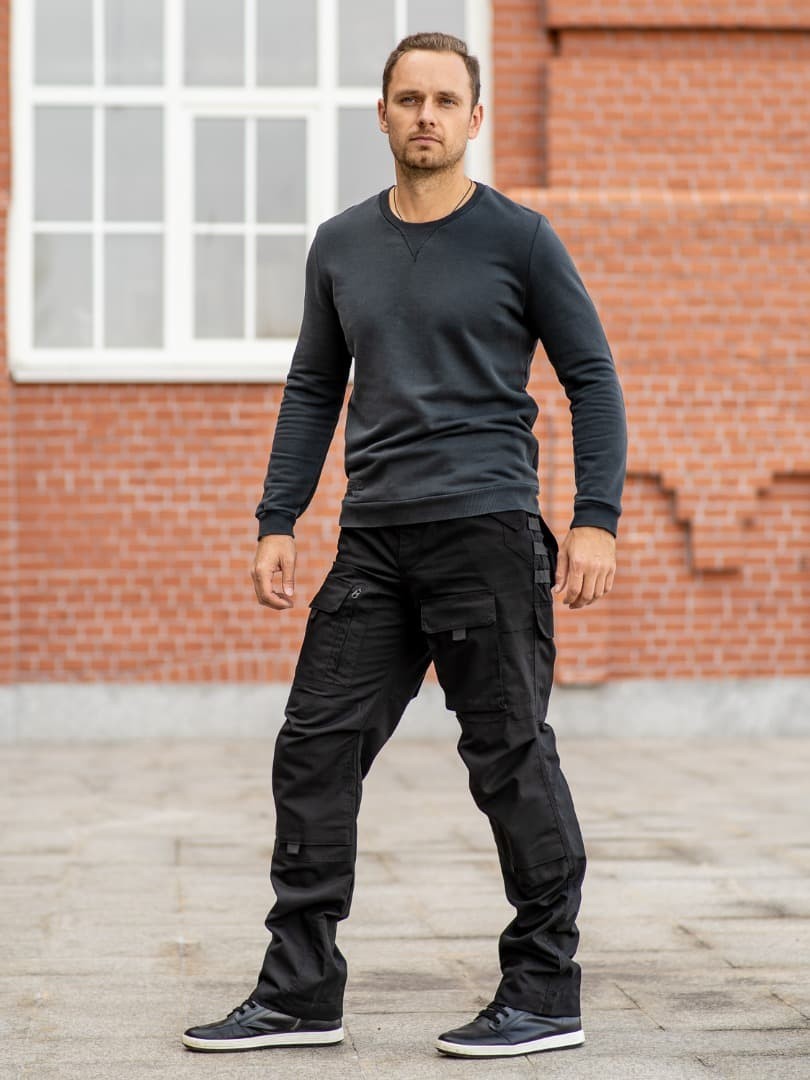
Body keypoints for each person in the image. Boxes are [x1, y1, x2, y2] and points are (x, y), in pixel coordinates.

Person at [182, 31, 627, 1059]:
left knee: (508, 755)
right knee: (313, 748)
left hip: (487, 532)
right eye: (409, 99)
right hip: (374, 542)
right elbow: (312, 388)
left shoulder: (520, 240)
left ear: (475, 118)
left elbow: (593, 379)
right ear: (382, 113)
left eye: (445, 100)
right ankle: (300, 991)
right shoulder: (341, 244)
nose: (426, 116)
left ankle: (544, 989)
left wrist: (596, 518)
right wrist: (278, 518)